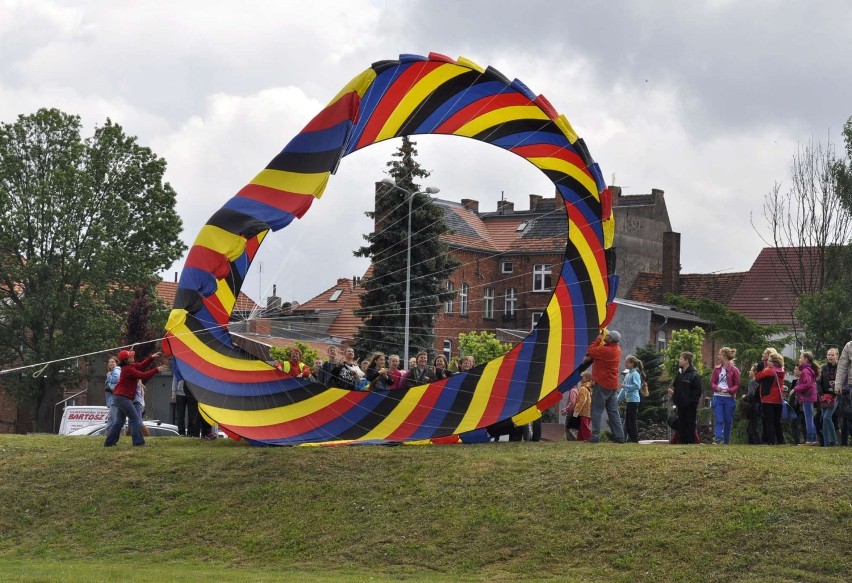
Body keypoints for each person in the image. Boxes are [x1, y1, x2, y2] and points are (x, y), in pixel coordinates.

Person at [104, 349, 164, 447]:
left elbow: (141, 366)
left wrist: (151, 358)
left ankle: (109, 442)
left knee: (119, 421)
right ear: (127, 360)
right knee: (135, 419)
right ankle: (138, 442)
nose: (133, 357)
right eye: (131, 356)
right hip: (123, 398)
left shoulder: (128, 366)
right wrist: (156, 370)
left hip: (119, 397)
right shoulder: (128, 369)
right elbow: (143, 375)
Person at [582, 330, 624, 444]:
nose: (606, 336)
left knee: (596, 410)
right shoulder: (617, 349)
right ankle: (620, 437)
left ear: (611, 339)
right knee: (613, 412)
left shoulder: (606, 350)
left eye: (608, 336)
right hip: (612, 385)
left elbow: (590, 350)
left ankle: (595, 437)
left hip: (602, 383)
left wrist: (599, 338)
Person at [668, 351, 702, 445]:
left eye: (681, 358)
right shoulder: (680, 373)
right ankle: (681, 441)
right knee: (681, 423)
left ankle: (690, 442)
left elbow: (697, 391)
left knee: (690, 424)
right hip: (680, 404)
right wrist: (675, 396)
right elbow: (676, 387)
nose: (679, 360)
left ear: (687, 361)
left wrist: (691, 402)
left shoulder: (694, 375)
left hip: (690, 405)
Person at [710, 347, 740, 445]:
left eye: (719, 354)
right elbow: (712, 383)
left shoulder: (734, 370)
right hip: (718, 396)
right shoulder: (717, 369)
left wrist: (729, 390)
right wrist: (716, 388)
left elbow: (737, 385)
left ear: (724, 356)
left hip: (728, 398)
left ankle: (726, 441)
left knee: (728, 421)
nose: (718, 356)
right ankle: (718, 439)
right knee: (719, 419)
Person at [755, 351, 786, 445]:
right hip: (778, 400)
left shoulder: (769, 371)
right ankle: (780, 440)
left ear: (773, 362)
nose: (767, 362)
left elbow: (757, 377)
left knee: (769, 421)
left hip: (768, 399)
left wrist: (765, 369)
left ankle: (771, 440)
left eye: (769, 360)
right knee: (777, 421)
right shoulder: (781, 371)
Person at [791, 352, 819, 445]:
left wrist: (795, 389)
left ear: (806, 359)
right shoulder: (809, 370)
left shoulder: (805, 371)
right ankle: (813, 438)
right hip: (810, 396)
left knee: (808, 419)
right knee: (809, 418)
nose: (799, 360)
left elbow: (806, 384)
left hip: (807, 396)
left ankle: (810, 439)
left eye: (800, 358)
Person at [617, 355, 644, 443]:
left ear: (632, 364)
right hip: (629, 400)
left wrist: (625, 386)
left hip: (634, 400)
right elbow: (623, 390)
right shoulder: (628, 374)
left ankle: (634, 439)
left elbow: (637, 386)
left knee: (631, 421)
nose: (625, 364)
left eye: (627, 362)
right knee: (628, 420)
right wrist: (618, 399)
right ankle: (629, 438)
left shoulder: (635, 374)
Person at [820, 346, 841, 447]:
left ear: (837, 356)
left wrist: (835, 393)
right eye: (828, 355)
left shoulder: (840, 368)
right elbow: (818, 382)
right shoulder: (823, 368)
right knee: (824, 418)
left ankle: (833, 439)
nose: (830, 356)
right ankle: (826, 443)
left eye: (832, 355)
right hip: (824, 396)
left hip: (835, 395)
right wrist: (820, 394)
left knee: (827, 417)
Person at [742, 364, 762, 445]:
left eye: (751, 370)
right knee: (751, 426)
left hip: (752, 407)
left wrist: (744, 396)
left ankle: (756, 442)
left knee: (753, 427)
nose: (749, 371)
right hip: (759, 406)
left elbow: (751, 395)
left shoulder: (752, 383)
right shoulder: (760, 382)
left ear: (755, 372)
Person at [573, 371, 593, 441]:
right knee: (582, 427)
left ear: (587, 378)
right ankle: (580, 439)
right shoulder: (590, 388)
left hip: (584, 411)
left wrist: (576, 412)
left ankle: (588, 439)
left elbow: (581, 401)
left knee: (584, 427)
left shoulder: (583, 388)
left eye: (583, 377)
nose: (581, 378)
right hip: (588, 411)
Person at [104, 357, 120, 435]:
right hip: (112, 398)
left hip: (114, 398)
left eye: (113, 362)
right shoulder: (114, 371)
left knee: (115, 417)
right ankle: (107, 432)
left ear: (116, 363)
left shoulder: (116, 370)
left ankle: (122, 432)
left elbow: (116, 379)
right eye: (109, 362)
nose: (111, 363)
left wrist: (109, 376)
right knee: (111, 417)